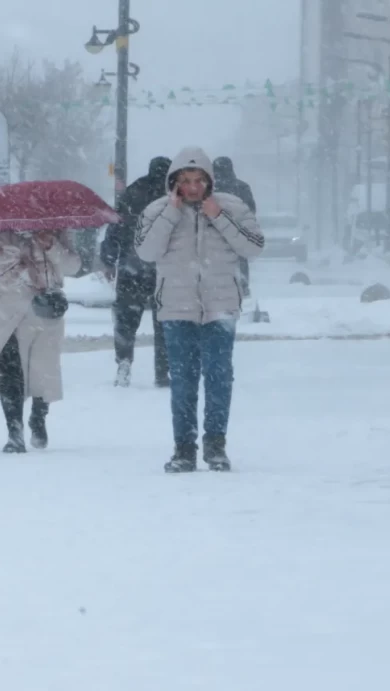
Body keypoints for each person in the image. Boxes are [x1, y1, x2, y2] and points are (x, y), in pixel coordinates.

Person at [138, 147, 264, 473]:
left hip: (220, 307)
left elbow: (253, 246)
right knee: (183, 381)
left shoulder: (231, 206)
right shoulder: (158, 210)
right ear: (174, 181)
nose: (193, 187)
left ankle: (215, 445)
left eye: (198, 180)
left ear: (209, 180)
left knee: (220, 377)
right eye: (185, 180)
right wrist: (171, 213)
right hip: (177, 309)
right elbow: (147, 251)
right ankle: (183, 448)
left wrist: (217, 216)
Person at [0, 229, 81, 453]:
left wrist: (50, 246)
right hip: (6, 313)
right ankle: (14, 432)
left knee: (42, 372)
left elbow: (73, 266)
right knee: (10, 374)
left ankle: (38, 416)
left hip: (46, 311)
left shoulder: (56, 229)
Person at [100, 156, 171, 388]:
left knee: (126, 320)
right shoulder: (173, 196)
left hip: (132, 267)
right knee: (164, 322)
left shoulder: (132, 192)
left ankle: (124, 362)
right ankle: (163, 371)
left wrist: (108, 260)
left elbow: (115, 228)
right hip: (164, 269)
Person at [212, 156, 258, 298]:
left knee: (214, 259)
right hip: (237, 230)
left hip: (215, 231)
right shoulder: (242, 187)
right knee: (240, 258)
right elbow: (251, 209)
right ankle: (242, 285)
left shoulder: (209, 188)